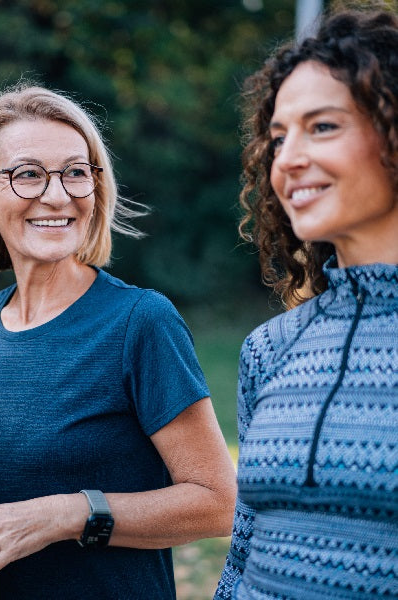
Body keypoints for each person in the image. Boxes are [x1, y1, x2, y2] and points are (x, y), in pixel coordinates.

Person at [0, 84, 236, 600]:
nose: (58, 195)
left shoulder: (140, 321)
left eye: (75, 172)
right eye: (28, 174)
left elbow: (218, 503)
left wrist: (67, 514)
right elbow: (5, 491)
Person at [215, 7, 397, 600]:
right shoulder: (270, 350)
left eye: (322, 126)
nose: (288, 159)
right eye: (278, 137)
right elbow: (242, 553)